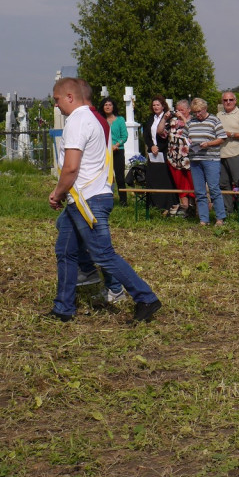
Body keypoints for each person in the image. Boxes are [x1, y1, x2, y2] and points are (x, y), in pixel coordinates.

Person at [46, 78, 161, 323]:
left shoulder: (77, 121)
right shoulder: (95, 119)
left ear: (69, 96)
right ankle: (63, 308)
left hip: (88, 200)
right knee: (65, 251)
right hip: (86, 197)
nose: (56, 106)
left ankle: (146, 298)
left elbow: (71, 168)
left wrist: (57, 192)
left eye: (57, 100)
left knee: (103, 254)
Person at [186, 98, 227, 226]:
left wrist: (208, 143)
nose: (197, 114)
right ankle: (204, 219)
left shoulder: (214, 120)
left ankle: (220, 218)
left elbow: (222, 138)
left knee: (214, 188)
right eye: (195, 112)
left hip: (211, 158)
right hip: (195, 159)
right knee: (199, 191)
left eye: (199, 111)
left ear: (205, 109)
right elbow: (185, 137)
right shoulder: (191, 122)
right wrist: (188, 143)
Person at [217, 91, 239, 217]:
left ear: (235, 101)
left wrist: (231, 134)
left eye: (230, 100)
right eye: (225, 100)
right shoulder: (219, 115)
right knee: (223, 183)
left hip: (235, 153)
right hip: (221, 154)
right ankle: (227, 210)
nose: (228, 102)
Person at [143, 96, 177, 212]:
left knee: (165, 179)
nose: (155, 107)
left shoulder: (168, 118)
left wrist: (159, 147)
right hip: (153, 153)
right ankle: (153, 205)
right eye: (154, 105)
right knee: (152, 178)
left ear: (163, 106)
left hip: (164, 151)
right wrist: (151, 146)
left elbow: (167, 136)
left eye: (158, 105)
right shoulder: (150, 119)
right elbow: (146, 135)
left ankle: (167, 205)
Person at [163, 100, 193, 217]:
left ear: (188, 110)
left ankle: (195, 207)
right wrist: (165, 119)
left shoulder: (192, 120)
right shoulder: (172, 122)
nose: (179, 112)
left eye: (182, 110)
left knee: (192, 182)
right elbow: (161, 131)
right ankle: (184, 207)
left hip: (188, 157)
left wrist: (183, 119)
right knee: (180, 183)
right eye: (178, 110)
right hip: (175, 157)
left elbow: (192, 131)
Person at [101, 97, 128, 206]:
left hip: (118, 151)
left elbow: (124, 136)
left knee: (120, 177)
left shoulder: (120, 120)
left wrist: (116, 144)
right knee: (105, 177)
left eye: (110, 105)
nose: (107, 107)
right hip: (104, 152)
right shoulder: (101, 120)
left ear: (113, 106)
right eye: (105, 105)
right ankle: (106, 200)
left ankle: (123, 201)